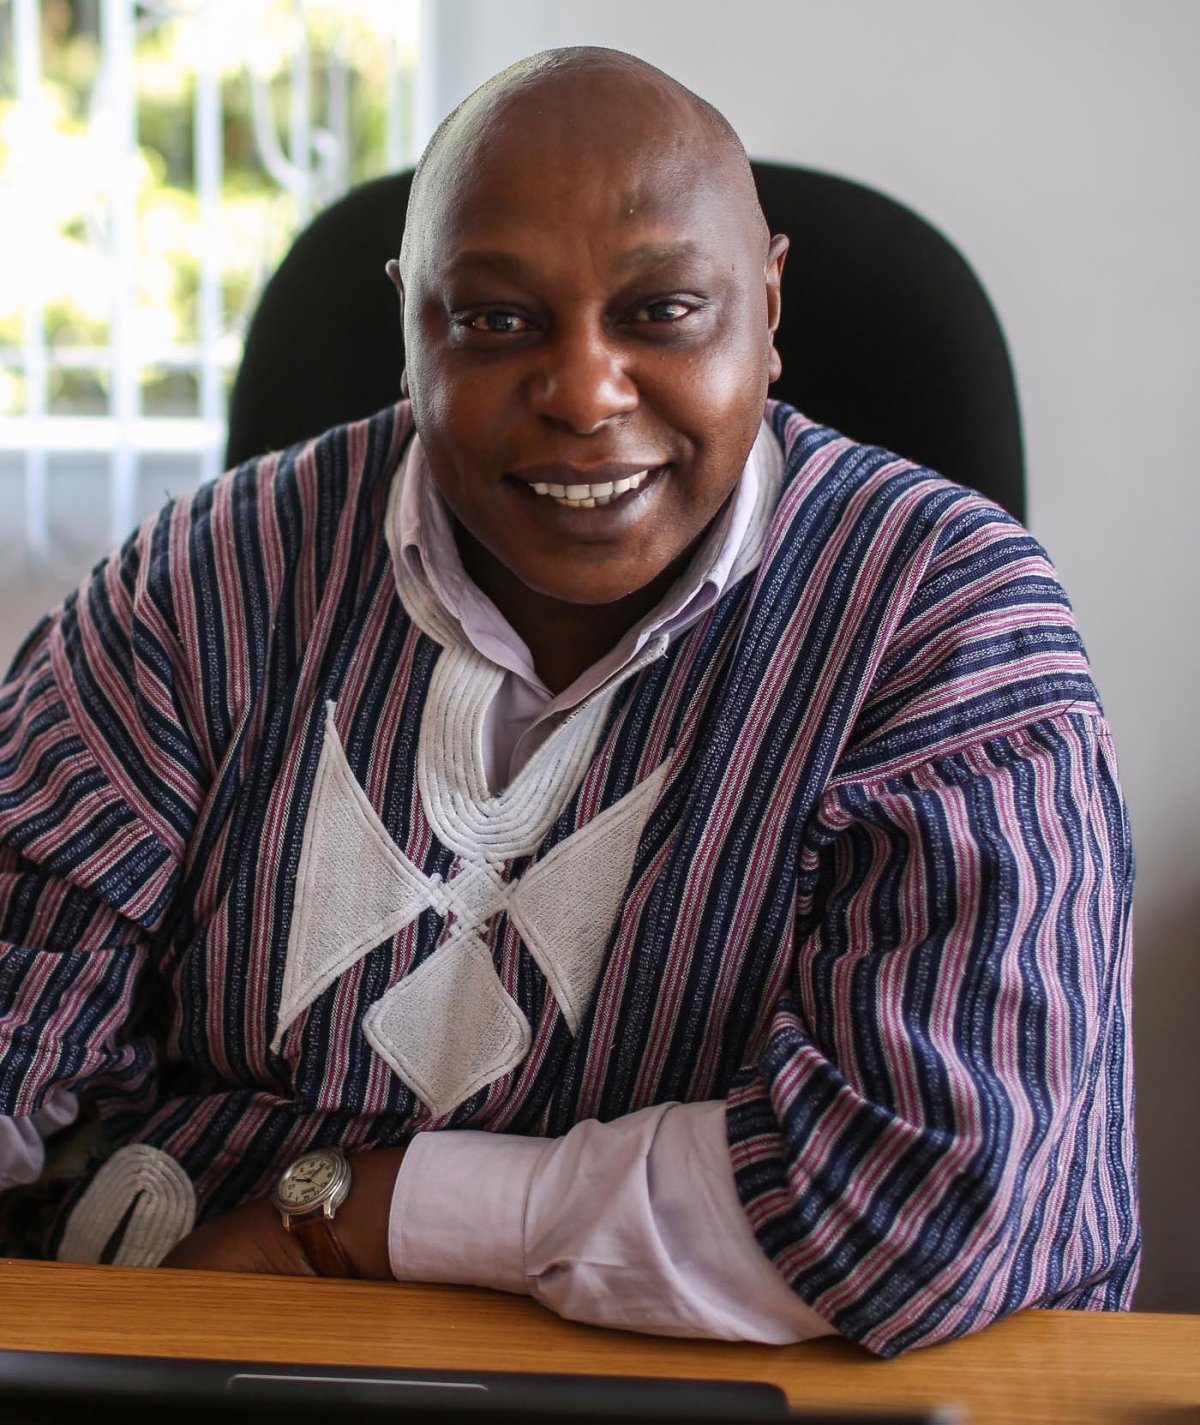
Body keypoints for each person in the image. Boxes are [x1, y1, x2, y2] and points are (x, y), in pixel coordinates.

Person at [0, 47, 1137, 1357]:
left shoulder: (947, 621)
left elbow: (935, 1199)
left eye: (664, 313)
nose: (585, 394)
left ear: (769, 306)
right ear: (410, 321)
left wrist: (360, 1216)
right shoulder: (211, 579)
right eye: (496, 321)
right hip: (210, 1345)